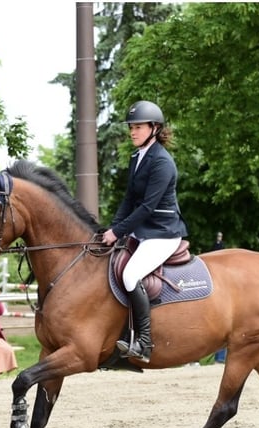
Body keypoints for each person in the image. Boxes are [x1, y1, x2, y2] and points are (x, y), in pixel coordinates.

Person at [101, 100, 188, 363]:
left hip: (162, 233)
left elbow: (148, 207)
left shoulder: (162, 162)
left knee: (129, 275)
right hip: (143, 230)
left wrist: (118, 232)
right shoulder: (137, 157)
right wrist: (113, 228)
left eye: (138, 127)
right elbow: (129, 199)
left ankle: (144, 343)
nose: (132, 132)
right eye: (131, 127)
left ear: (154, 128)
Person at [209, 232, 227, 364]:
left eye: (220, 236)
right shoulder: (215, 245)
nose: (219, 238)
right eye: (218, 236)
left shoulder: (221, 245)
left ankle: (220, 358)